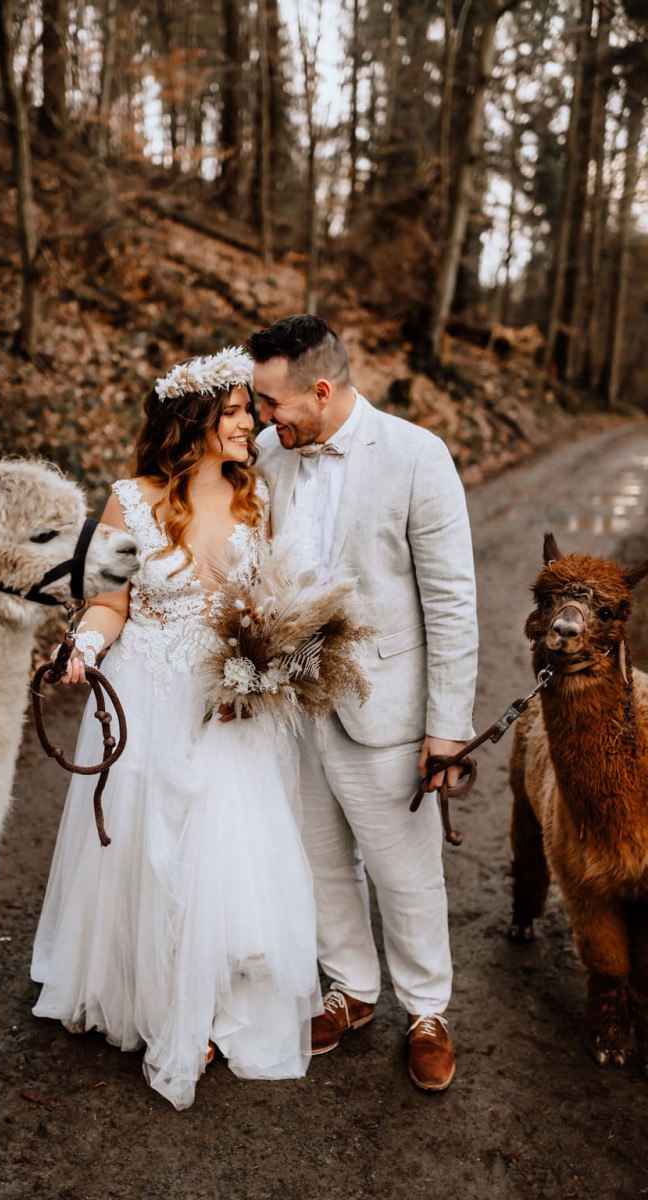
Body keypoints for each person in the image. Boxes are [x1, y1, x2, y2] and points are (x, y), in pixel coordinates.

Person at [30, 347, 321, 1111]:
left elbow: (275, 607)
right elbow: (111, 601)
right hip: (144, 695)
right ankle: (142, 991)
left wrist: (262, 665)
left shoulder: (256, 499)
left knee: (216, 854)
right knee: (141, 851)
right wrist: (85, 647)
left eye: (247, 412)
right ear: (190, 421)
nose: (248, 423)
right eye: (232, 413)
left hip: (223, 705)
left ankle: (209, 1006)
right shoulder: (131, 499)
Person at [247, 315, 478, 1092]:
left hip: (385, 705)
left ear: (321, 388)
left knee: (403, 872)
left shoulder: (418, 457)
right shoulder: (271, 458)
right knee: (318, 860)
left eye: (273, 402)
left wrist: (447, 729)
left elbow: (451, 601)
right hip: (293, 704)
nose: (262, 418)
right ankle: (352, 990)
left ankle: (427, 1010)